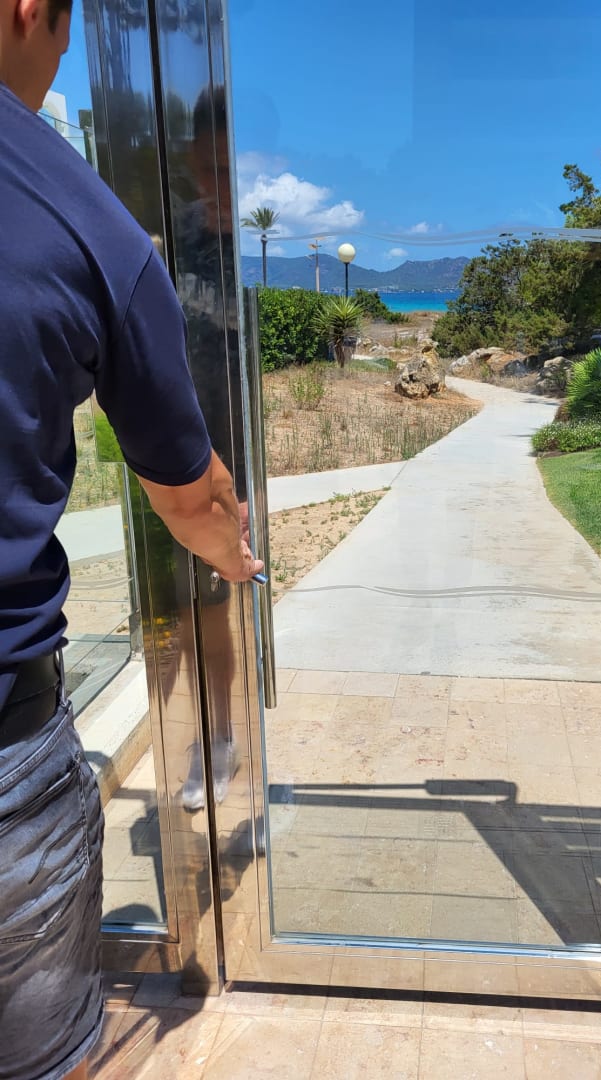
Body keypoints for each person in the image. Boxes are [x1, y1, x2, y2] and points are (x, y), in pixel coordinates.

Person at [0, 2, 262, 1078]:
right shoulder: (91, 218)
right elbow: (191, 487)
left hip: (193, 441)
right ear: (33, 11)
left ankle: (222, 737)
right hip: (8, 719)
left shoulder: (208, 243)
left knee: (209, 614)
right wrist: (234, 543)